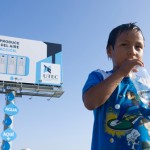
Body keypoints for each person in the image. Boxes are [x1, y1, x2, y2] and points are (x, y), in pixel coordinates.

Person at [82, 23, 150, 150]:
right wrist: (121, 72)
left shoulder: (146, 84)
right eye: (124, 45)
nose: (132, 52)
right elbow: (90, 102)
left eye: (138, 47)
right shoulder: (100, 76)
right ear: (109, 51)